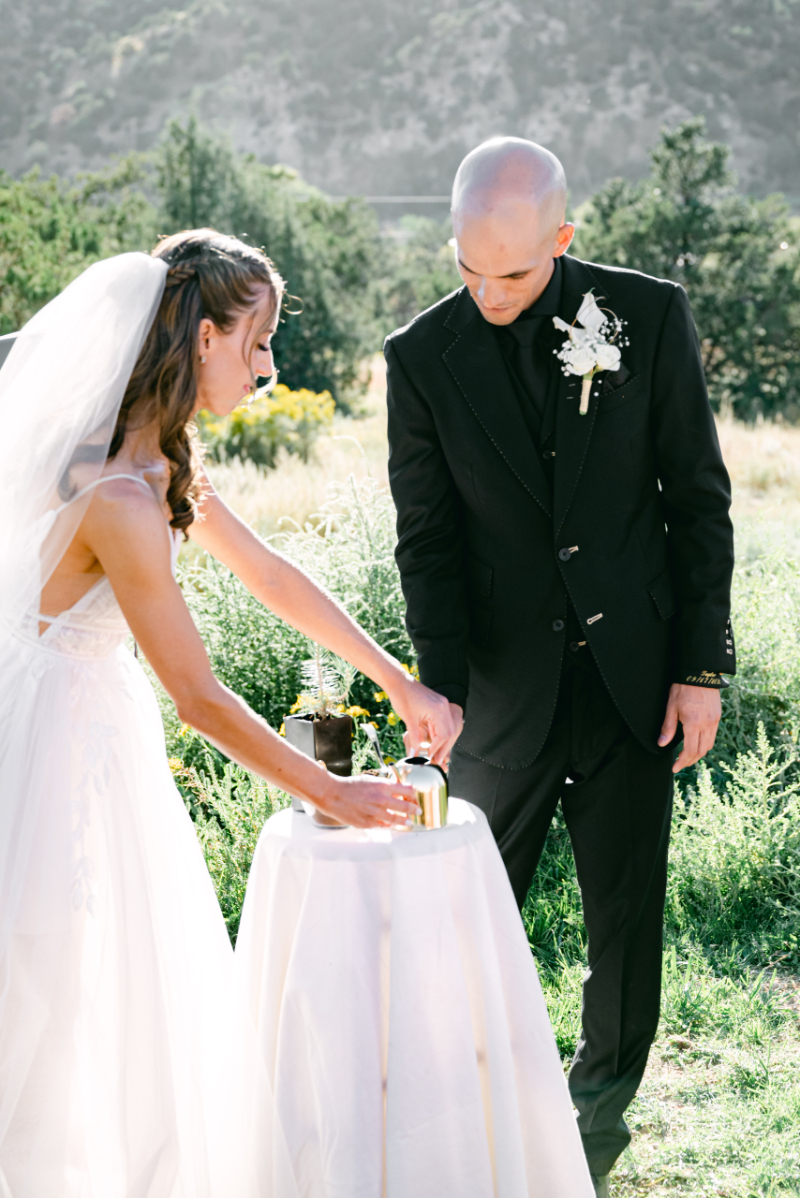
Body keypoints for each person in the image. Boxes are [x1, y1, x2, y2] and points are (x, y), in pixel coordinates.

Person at [0, 228, 460, 1197]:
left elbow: (268, 573)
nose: (266, 367)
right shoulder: (116, 493)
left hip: (100, 726)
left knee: (124, 988)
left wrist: (396, 678)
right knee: (60, 991)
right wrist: (331, 788)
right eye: (254, 343)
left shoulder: (154, 460)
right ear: (201, 336)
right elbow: (200, 699)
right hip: (59, 749)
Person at [385, 138, 735, 1195]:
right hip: (495, 691)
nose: (487, 293)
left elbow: (697, 503)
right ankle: (463, 1112)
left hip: (634, 679)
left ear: (563, 239)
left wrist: (699, 668)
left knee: (623, 921)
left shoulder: (645, 317)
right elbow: (426, 538)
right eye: (467, 269)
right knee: (466, 915)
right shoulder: (417, 356)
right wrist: (435, 686)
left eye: (515, 272)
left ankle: (590, 1128)